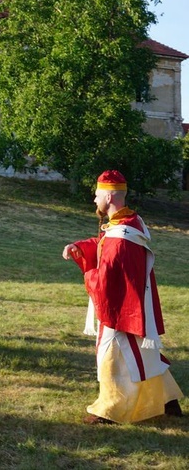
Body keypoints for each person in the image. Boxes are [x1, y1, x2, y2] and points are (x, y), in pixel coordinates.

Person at [62, 170, 183, 424]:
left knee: (113, 355)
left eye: (97, 195)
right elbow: (104, 244)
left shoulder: (122, 235)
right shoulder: (128, 222)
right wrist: (81, 247)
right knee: (144, 353)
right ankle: (167, 401)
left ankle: (109, 410)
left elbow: (108, 276)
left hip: (122, 305)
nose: (94, 200)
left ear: (108, 195)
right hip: (134, 300)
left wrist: (89, 275)